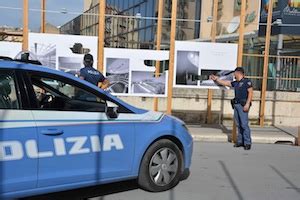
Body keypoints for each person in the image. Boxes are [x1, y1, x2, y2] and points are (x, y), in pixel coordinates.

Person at [210, 67, 253, 150]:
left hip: (243, 105)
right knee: (238, 124)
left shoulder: (247, 82)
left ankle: (247, 143)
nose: (233, 74)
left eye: (234, 73)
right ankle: (240, 141)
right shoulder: (236, 83)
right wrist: (216, 79)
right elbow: (226, 83)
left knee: (244, 124)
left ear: (238, 73)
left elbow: (250, 93)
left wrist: (247, 104)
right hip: (236, 105)